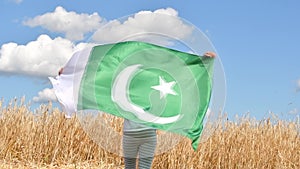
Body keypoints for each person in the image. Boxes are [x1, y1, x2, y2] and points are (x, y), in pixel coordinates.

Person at [122, 51, 216, 169]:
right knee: (129, 166)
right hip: (129, 134)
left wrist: (205, 61)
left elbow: (180, 73)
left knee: (144, 167)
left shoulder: (155, 91)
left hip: (148, 135)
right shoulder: (130, 88)